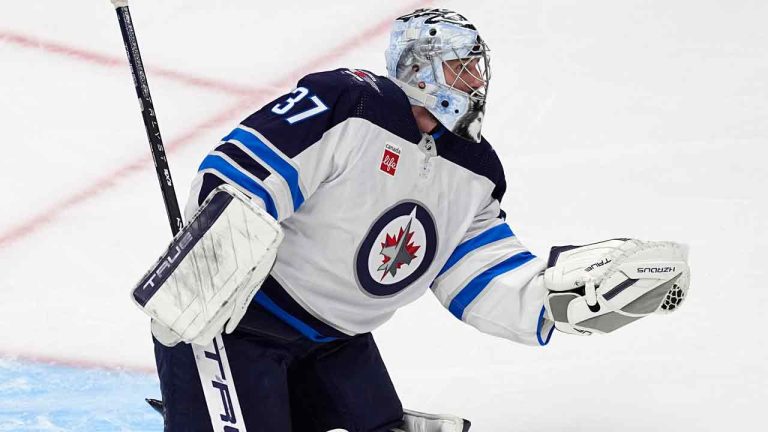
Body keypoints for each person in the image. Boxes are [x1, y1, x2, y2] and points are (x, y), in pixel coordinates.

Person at [138, 8, 690, 432]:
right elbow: (242, 171)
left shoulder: (475, 171)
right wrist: (213, 250)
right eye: (460, 66)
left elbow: (481, 274)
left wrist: (560, 298)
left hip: (338, 341)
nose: (474, 81)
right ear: (419, 66)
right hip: (240, 328)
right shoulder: (349, 103)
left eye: (477, 68)